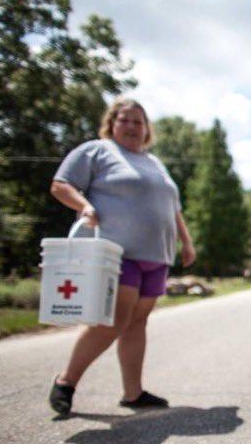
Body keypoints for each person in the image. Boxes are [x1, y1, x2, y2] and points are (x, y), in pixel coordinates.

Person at [48, 98, 196, 415]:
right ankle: (65, 382)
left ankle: (133, 393)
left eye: (138, 122)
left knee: (137, 323)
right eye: (124, 120)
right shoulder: (98, 151)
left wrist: (186, 240)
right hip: (116, 253)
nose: (131, 127)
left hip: (157, 255)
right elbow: (61, 185)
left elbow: (174, 208)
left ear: (146, 130)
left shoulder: (155, 163)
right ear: (112, 124)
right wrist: (85, 207)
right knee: (115, 320)